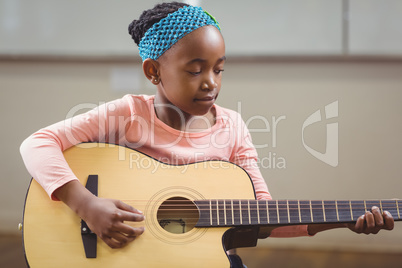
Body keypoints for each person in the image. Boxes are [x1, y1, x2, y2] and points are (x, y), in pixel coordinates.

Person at [20, 2, 394, 267]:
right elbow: (37, 143)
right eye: (195, 69)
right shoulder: (128, 113)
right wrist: (86, 204)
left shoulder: (233, 128)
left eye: (219, 69)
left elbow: (262, 217)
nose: (211, 82)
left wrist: (344, 218)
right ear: (154, 72)